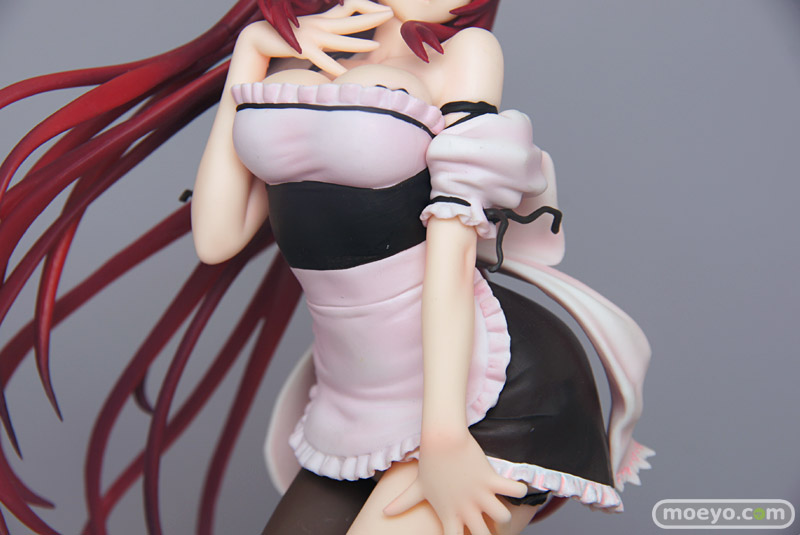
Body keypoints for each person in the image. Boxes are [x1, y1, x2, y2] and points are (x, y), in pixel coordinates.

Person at [0, 1, 652, 534]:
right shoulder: (298, 54)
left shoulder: (464, 55)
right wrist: (252, 52)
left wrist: (445, 438)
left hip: (487, 387)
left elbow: (451, 251)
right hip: (358, 395)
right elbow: (218, 236)